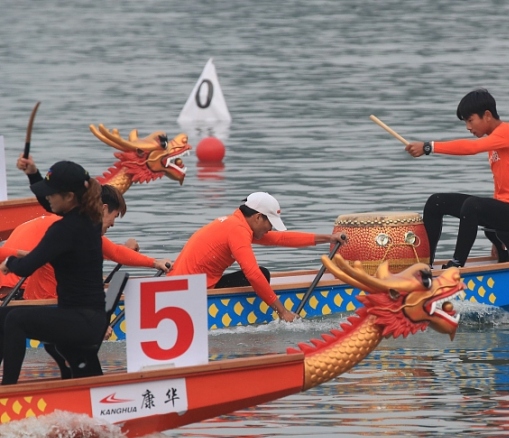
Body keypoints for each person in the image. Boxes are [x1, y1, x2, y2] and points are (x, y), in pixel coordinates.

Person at [0, 158, 106, 385]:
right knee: (3, 315)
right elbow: (50, 205)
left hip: (81, 321)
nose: (47, 197)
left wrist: (9, 262)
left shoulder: (63, 230)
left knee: (15, 319)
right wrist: (33, 174)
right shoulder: (89, 219)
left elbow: (28, 266)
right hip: (87, 317)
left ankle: (7, 390)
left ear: (69, 196)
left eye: (51, 192)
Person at [405, 88, 509, 268]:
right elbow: (502, 188)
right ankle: (426, 265)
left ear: (487, 115)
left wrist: (429, 147)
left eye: (470, 120)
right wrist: (497, 238)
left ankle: (457, 264)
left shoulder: (508, 132)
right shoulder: (494, 141)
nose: (468, 127)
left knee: (472, 206)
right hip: (506, 210)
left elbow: (471, 148)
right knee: (436, 202)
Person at [168, 192, 346, 322]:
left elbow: (281, 238)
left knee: (260, 274)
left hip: (181, 284)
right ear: (258, 217)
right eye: (270, 223)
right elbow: (252, 273)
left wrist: (328, 238)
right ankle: (245, 316)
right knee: (260, 274)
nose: (271, 229)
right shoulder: (237, 231)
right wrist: (283, 312)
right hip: (189, 292)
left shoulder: (235, 224)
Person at [0, 184, 172, 300]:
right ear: (103, 209)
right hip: (15, 293)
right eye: (115, 216)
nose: (113, 223)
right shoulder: (70, 227)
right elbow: (114, 252)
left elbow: (102, 251)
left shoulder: (63, 221)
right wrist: (155, 262)